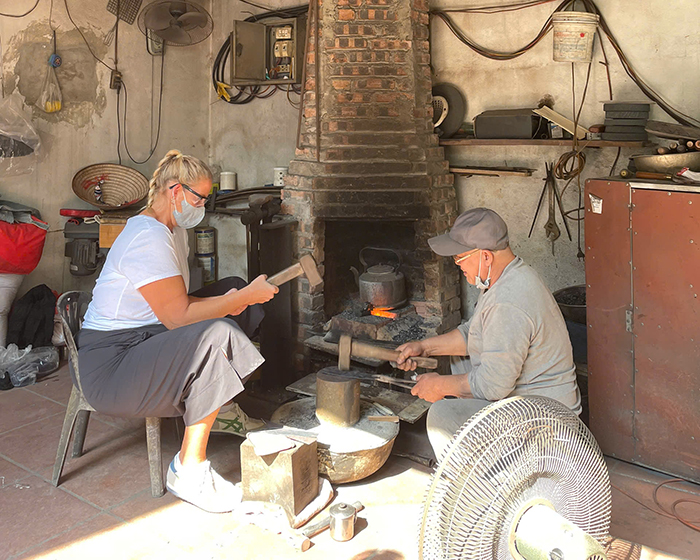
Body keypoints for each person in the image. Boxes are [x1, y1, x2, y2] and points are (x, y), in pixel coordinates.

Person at [77, 150, 279, 513]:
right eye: (198, 197)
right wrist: (241, 298)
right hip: (110, 366)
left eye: (206, 197)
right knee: (218, 334)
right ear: (174, 190)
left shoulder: (173, 230)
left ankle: (220, 404)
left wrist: (240, 297)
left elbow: (177, 305)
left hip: (145, 336)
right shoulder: (147, 237)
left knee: (232, 289)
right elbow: (178, 317)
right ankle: (188, 468)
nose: (202, 205)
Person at [395, 208, 581, 458]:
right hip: (532, 402)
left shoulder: (508, 301)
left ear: (485, 257)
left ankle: (487, 484)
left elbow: (492, 386)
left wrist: (440, 386)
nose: (457, 264)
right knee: (460, 361)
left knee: (441, 416)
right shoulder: (509, 275)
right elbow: (473, 334)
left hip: (545, 425)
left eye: (459, 258)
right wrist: (424, 347)